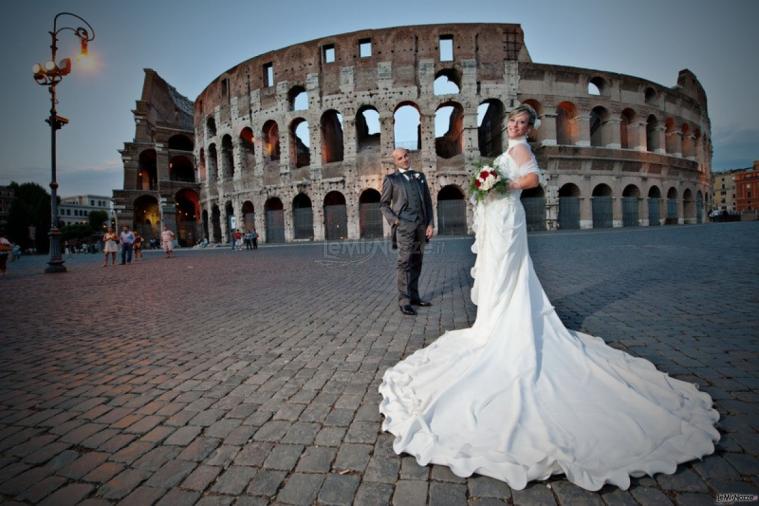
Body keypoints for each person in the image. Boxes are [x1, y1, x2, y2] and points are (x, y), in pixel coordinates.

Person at [378, 104, 719, 491]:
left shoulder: (521, 151)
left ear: (529, 128)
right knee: (490, 275)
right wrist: (488, 185)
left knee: (509, 274)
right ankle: (483, 321)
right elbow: (387, 203)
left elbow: (531, 181)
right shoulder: (506, 150)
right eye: (513, 121)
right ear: (508, 123)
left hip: (508, 218)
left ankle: (506, 327)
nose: (516, 126)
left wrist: (498, 185)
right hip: (495, 217)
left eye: (523, 123)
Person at [379, 148, 434, 316]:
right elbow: (383, 204)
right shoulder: (391, 179)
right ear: (395, 162)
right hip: (404, 227)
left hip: (421, 227)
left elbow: (428, 202)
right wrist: (396, 221)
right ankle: (404, 301)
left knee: (417, 261)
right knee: (404, 263)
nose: (404, 160)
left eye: (405, 156)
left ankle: (415, 297)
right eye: (400, 158)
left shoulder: (420, 177)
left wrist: (430, 223)